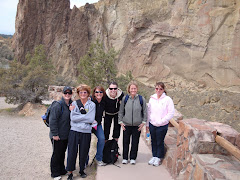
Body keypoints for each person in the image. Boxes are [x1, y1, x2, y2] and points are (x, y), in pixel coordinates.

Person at [66, 84, 96, 180]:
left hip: (86, 132)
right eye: (81, 92)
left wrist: (80, 118)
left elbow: (91, 118)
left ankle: (81, 170)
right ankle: (70, 172)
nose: (83, 94)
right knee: (72, 152)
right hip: (74, 131)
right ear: (78, 94)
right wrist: (85, 118)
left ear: (88, 94)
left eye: (85, 92)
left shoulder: (92, 105)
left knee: (84, 152)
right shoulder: (74, 104)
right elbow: (73, 118)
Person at [118, 81, 147, 165]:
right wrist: (120, 122)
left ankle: (133, 158)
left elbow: (145, 111)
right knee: (125, 142)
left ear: (137, 89)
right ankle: (125, 158)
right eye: (132, 88)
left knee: (135, 142)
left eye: (135, 88)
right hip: (126, 124)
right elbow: (121, 111)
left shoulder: (141, 99)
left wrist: (143, 122)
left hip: (137, 125)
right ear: (129, 89)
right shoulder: (125, 99)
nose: (133, 90)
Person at [147, 82, 175, 166]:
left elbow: (171, 113)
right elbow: (149, 111)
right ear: (155, 89)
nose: (158, 90)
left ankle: (159, 157)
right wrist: (148, 123)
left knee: (160, 141)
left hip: (162, 125)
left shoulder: (167, 100)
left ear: (163, 90)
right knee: (153, 140)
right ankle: (154, 156)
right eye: (157, 88)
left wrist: (162, 121)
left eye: (160, 89)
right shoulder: (152, 98)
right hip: (152, 123)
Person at [49, 86, 73, 180]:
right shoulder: (58, 105)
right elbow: (52, 120)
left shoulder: (71, 104)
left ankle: (62, 169)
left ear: (71, 94)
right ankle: (55, 173)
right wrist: (55, 134)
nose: (67, 95)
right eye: (65, 93)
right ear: (62, 94)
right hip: (57, 135)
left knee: (62, 152)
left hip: (65, 135)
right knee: (56, 153)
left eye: (69, 93)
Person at [91, 86, 106, 166]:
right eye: (97, 92)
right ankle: (85, 161)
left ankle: (98, 158)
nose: (99, 93)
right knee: (86, 142)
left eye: (100, 92)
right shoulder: (90, 101)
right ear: (94, 93)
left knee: (102, 139)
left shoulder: (104, 102)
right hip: (88, 125)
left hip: (98, 125)